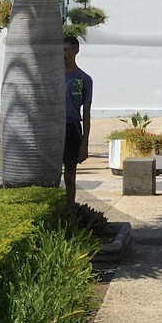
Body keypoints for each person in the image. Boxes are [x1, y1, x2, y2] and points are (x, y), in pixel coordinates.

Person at [63, 35, 93, 202]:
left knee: (70, 176)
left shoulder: (84, 79)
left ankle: (70, 206)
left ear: (76, 51)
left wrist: (85, 142)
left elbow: (87, 113)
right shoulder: (51, 77)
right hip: (53, 129)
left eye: (66, 49)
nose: (63, 53)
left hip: (72, 128)